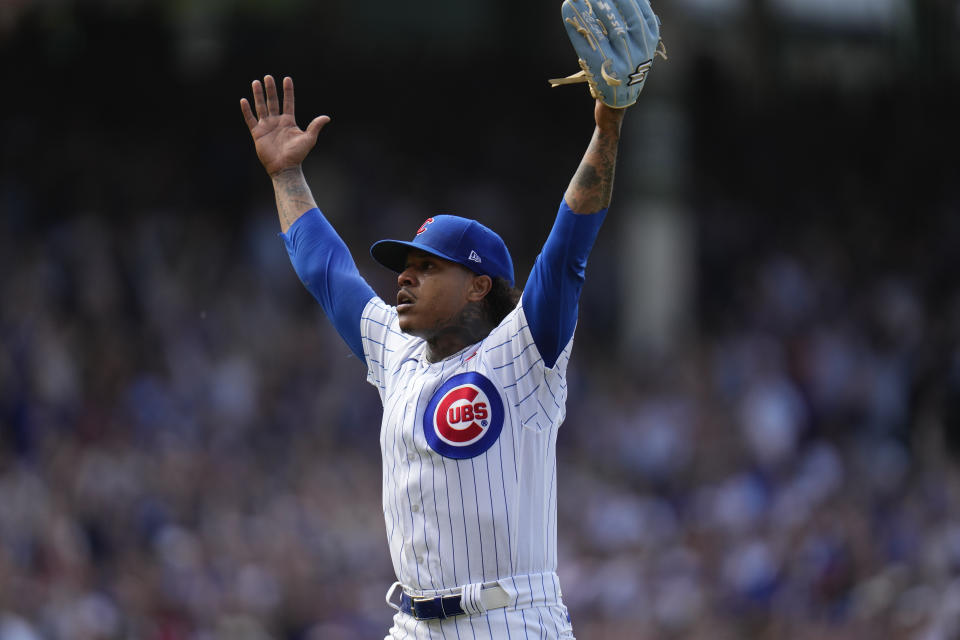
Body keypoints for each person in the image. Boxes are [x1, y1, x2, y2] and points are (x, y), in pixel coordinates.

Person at [241, 73, 631, 639]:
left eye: (428, 267)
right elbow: (327, 270)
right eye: (405, 265)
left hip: (510, 619)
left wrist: (608, 129)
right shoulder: (397, 355)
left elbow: (567, 247)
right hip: (412, 624)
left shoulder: (523, 352)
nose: (404, 277)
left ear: (478, 286)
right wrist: (286, 175)